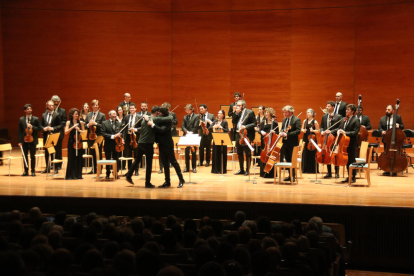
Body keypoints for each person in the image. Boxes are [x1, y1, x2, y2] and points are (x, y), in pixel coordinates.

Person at [125, 106, 172, 187]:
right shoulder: (153, 120)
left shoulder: (144, 120)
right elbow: (169, 119)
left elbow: (143, 128)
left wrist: (136, 129)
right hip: (148, 144)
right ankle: (147, 183)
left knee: (137, 160)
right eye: (159, 112)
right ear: (157, 112)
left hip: (140, 143)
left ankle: (129, 175)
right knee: (149, 164)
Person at [149, 107, 185, 188]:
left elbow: (162, 130)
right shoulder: (160, 120)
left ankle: (181, 179)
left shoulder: (168, 121)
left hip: (168, 144)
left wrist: (153, 125)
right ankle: (167, 181)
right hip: (161, 144)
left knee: (173, 162)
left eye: (160, 112)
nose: (158, 113)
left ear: (163, 113)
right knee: (165, 163)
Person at [335, 104, 360, 183]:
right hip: (344, 143)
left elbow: (355, 132)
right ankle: (349, 176)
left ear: (353, 111)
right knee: (347, 160)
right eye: (346, 109)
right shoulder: (343, 119)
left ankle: (353, 177)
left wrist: (345, 132)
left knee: (351, 160)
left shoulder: (356, 120)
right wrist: (339, 131)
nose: (346, 111)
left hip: (351, 143)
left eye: (348, 110)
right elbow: (340, 128)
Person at [378, 104, 404, 176]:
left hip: (396, 139)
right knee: (387, 153)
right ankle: (387, 169)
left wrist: (399, 126)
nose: (387, 111)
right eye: (386, 109)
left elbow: (402, 126)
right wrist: (382, 131)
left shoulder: (398, 117)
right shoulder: (382, 118)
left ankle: (395, 168)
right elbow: (379, 128)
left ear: (393, 111)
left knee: (395, 154)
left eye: (388, 110)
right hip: (386, 139)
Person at [232, 100, 256, 176]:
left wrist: (245, 126)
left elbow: (254, 123)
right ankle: (241, 169)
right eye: (237, 105)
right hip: (238, 135)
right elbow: (233, 121)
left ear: (243, 106)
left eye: (239, 105)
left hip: (247, 135)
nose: (237, 107)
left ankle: (247, 170)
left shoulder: (250, 112)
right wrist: (235, 113)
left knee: (247, 153)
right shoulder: (238, 113)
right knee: (239, 153)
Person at [18, 104, 42, 176]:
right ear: (24, 110)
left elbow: (39, 128)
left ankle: (33, 171)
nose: (29, 110)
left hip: (32, 140)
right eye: (28, 109)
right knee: (25, 156)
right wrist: (19, 141)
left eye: (30, 109)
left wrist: (32, 126)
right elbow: (20, 131)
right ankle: (26, 171)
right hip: (24, 140)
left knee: (32, 156)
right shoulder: (21, 119)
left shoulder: (36, 119)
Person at [320, 101, 342, 178]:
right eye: (326, 106)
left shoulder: (338, 117)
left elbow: (339, 128)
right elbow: (322, 126)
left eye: (328, 106)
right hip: (326, 138)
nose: (327, 107)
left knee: (335, 155)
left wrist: (331, 131)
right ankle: (329, 173)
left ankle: (337, 173)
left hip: (334, 138)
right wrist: (322, 131)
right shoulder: (324, 116)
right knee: (327, 154)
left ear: (333, 107)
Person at [41, 101, 64, 174]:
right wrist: (43, 128)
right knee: (47, 152)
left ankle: (56, 167)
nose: (51, 107)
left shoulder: (57, 115)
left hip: (54, 135)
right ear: (47, 106)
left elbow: (61, 125)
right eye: (50, 105)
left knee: (55, 152)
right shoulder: (43, 115)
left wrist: (53, 128)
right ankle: (47, 168)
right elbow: (41, 125)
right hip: (46, 136)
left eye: (52, 105)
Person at [279, 105, 301, 182]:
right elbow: (283, 128)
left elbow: (298, 131)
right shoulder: (284, 119)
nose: (284, 113)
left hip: (293, 143)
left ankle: (293, 176)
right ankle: (290, 175)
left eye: (286, 112)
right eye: (284, 112)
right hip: (285, 142)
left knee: (293, 160)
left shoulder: (296, 120)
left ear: (291, 112)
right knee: (287, 159)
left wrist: (287, 134)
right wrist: (281, 132)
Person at [101, 110, 124, 179]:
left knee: (116, 159)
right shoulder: (104, 123)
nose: (115, 115)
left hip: (117, 145)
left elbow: (122, 132)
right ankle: (107, 173)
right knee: (108, 159)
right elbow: (103, 133)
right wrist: (112, 136)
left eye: (115, 114)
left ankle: (115, 173)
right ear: (109, 115)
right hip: (108, 144)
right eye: (113, 114)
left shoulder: (119, 124)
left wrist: (120, 134)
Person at [84, 100, 106, 174]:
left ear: (98, 106)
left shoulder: (102, 115)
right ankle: (93, 168)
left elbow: (103, 126)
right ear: (92, 106)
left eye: (97, 105)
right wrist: (88, 124)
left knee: (98, 152)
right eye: (94, 105)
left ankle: (99, 168)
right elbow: (85, 125)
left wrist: (96, 123)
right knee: (92, 152)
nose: (95, 106)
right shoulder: (88, 115)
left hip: (98, 136)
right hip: (90, 136)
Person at [64, 108, 85, 180]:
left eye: (78, 114)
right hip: (71, 141)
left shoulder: (81, 122)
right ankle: (71, 175)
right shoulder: (68, 123)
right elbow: (66, 132)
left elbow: (84, 132)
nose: (77, 115)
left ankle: (78, 175)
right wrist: (73, 127)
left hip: (79, 141)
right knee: (71, 158)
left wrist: (79, 130)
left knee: (79, 157)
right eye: (75, 114)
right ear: (72, 115)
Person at [159, 102, 178, 174]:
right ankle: (161, 167)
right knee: (161, 153)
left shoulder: (172, 114)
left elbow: (176, 122)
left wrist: (170, 119)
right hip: (162, 134)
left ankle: (169, 163)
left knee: (170, 150)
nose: (168, 110)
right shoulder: (160, 115)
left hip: (171, 133)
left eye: (168, 108)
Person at [259, 107, 278, 178]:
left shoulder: (275, 123)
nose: (266, 113)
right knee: (264, 155)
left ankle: (272, 173)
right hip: (265, 141)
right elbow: (259, 130)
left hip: (272, 142)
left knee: (271, 156)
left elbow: (278, 132)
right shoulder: (262, 122)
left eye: (267, 112)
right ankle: (263, 173)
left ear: (270, 113)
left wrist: (274, 132)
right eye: (265, 112)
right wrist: (261, 131)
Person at [181, 104, 200, 173]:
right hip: (186, 136)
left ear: (192, 110)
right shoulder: (185, 117)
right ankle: (187, 167)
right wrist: (186, 131)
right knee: (186, 153)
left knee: (193, 152)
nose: (186, 111)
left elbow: (196, 126)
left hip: (193, 136)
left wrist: (191, 132)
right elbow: (183, 126)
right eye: (186, 110)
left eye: (188, 110)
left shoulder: (196, 116)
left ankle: (194, 167)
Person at [301, 109, 320, 174]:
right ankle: (305, 169)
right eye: (306, 113)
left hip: (313, 139)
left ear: (312, 113)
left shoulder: (315, 122)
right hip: (306, 139)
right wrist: (303, 130)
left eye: (308, 112)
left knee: (312, 154)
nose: (307, 114)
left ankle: (312, 169)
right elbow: (301, 129)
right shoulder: (304, 121)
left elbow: (318, 131)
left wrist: (313, 130)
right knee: (305, 153)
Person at [123, 103, 140, 176]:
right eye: (130, 108)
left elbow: (142, 128)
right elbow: (123, 129)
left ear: (136, 109)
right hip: (128, 138)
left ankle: (136, 170)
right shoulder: (127, 117)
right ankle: (129, 171)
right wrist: (123, 139)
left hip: (136, 138)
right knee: (128, 155)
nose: (131, 110)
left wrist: (135, 129)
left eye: (133, 108)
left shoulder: (139, 117)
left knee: (136, 155)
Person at [210, 110, 229, 174]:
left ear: (223, 115)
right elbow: (209, 128)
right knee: (215, 154)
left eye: (220, 113)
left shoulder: (225, 122)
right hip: (216, 139)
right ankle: (215, 169)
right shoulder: (215, 121)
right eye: (218, 113)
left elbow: (227, 131)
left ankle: (222, 169)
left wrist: (221, 127)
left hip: (223, 141)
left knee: (222, 154)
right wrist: (214, 126)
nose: (219, 114)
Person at [51, 95, 67, 171]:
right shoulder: (49, 110)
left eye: (58, 101)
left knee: (58, 149)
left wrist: (55, 128)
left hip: (59, 133)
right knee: (51, 149)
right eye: (55, 101)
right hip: (51, 133)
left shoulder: (62, 111)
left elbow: (63, 122)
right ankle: (52, 163)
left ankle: (58, 164)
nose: (56, 103)